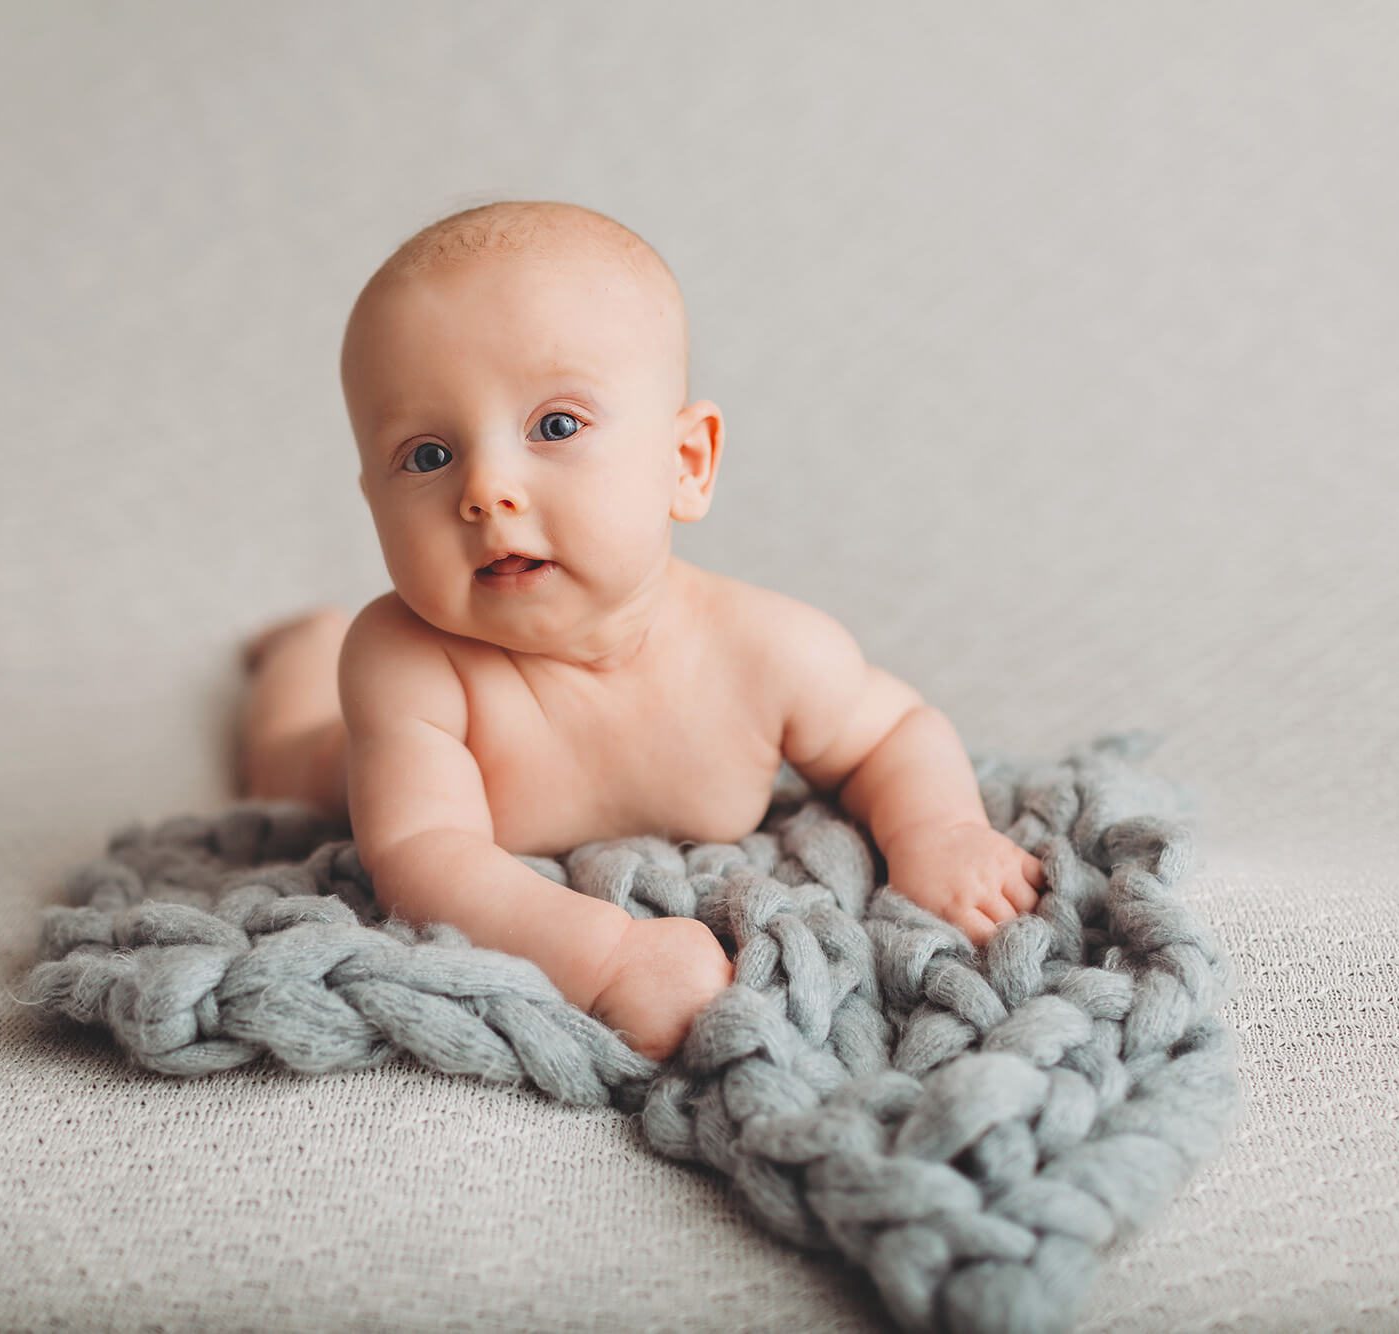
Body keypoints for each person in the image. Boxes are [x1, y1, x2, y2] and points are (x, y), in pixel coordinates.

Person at [234, 200, 1044, 1061]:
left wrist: (940, 833)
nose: (487, 490)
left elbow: (894, 731)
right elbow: (422, 855)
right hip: (349, 758)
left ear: (685, 465)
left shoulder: (766, 651)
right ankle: (297, 653)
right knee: (286, 757)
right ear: (373, 501)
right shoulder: (409, 663)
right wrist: (606, 954)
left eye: (556, 426)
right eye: (427, 456)